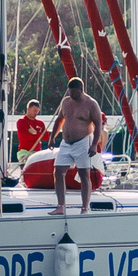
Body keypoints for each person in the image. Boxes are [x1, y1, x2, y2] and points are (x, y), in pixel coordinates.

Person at [51, 76, 103, 219]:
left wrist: (94, 145)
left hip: (83, 141)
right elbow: (60, 119)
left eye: (75, 92)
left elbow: (98, 125)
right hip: (66, 142)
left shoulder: (91, 104)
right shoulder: (66, 102)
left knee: (84, 174)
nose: (72, 95)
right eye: (70, 92)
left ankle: (84, 207)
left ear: (81, 90)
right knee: (58, 171)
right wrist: (52, 137)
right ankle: (61, 206)